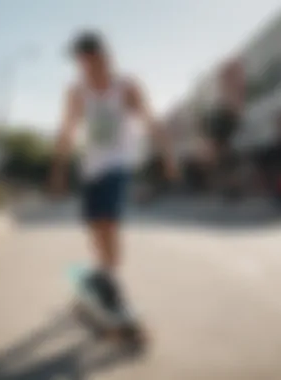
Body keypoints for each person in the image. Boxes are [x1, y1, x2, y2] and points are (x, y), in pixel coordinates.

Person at [50, 31, 176, 319]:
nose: (86, 68)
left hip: (119, 164)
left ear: (103, 56)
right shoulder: (77, 92)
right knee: (95, 225)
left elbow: (150, 118)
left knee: (109, 220)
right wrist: (58, 171)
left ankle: (110, 281)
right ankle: (102, 272)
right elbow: (67, 130)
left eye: (90, 61)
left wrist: (168, 156)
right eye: (81, 63)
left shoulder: (127, 86)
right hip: (90, 168)